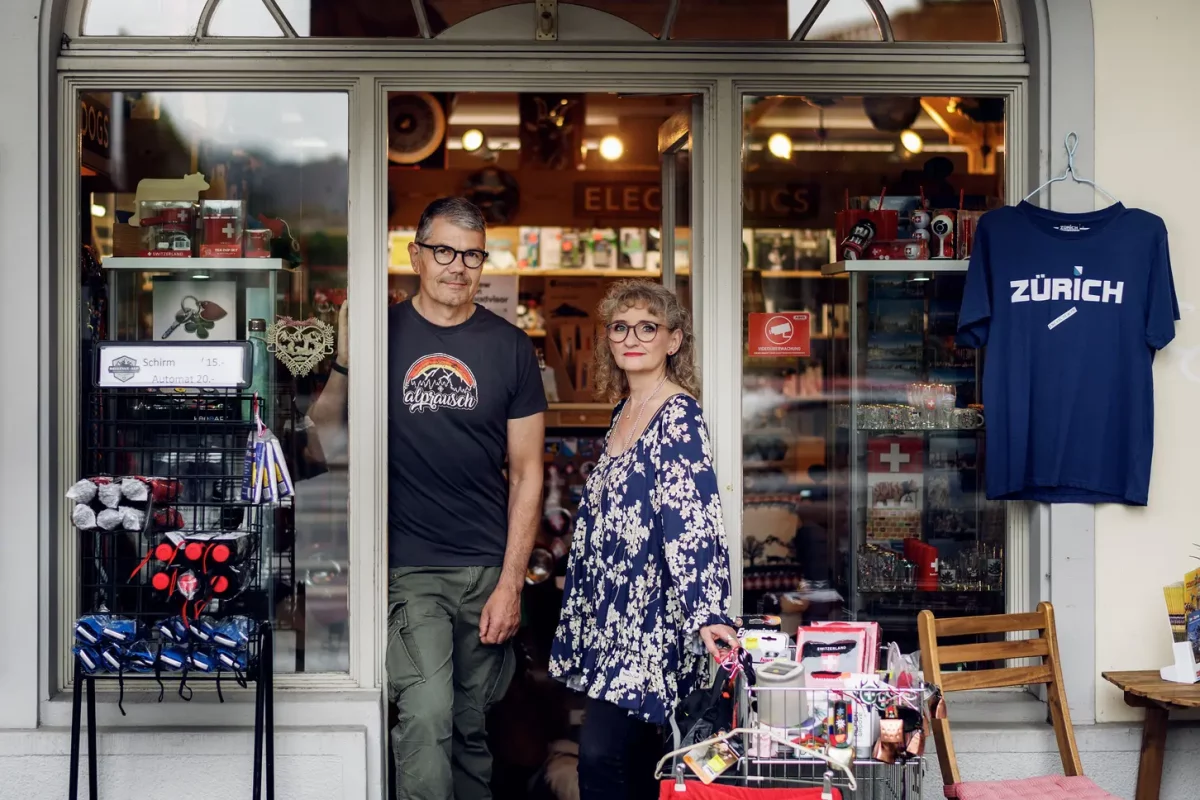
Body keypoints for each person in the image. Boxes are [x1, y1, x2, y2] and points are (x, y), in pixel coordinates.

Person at [313, 197, 547, 800]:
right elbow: (323, 438)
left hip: (487, 568)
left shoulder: (511, 348)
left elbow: (526, 473)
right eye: (444, 251)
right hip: (411, 566)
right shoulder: (381, 334)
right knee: (424, 717)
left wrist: (511, 583)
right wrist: (344, 359)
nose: (458, 266)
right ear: (415, 256)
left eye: (471, 255)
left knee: (472, 727)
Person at [548, 280, 738, 800]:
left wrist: (708, 613)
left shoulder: (677, 415)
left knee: (601, 756)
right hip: (612, 616)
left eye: (648, 327)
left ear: (673, 341)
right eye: (620, 327)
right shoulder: (623, 413)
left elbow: (693, 518)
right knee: (635, 758)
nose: (632, 337)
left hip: (650, 618)